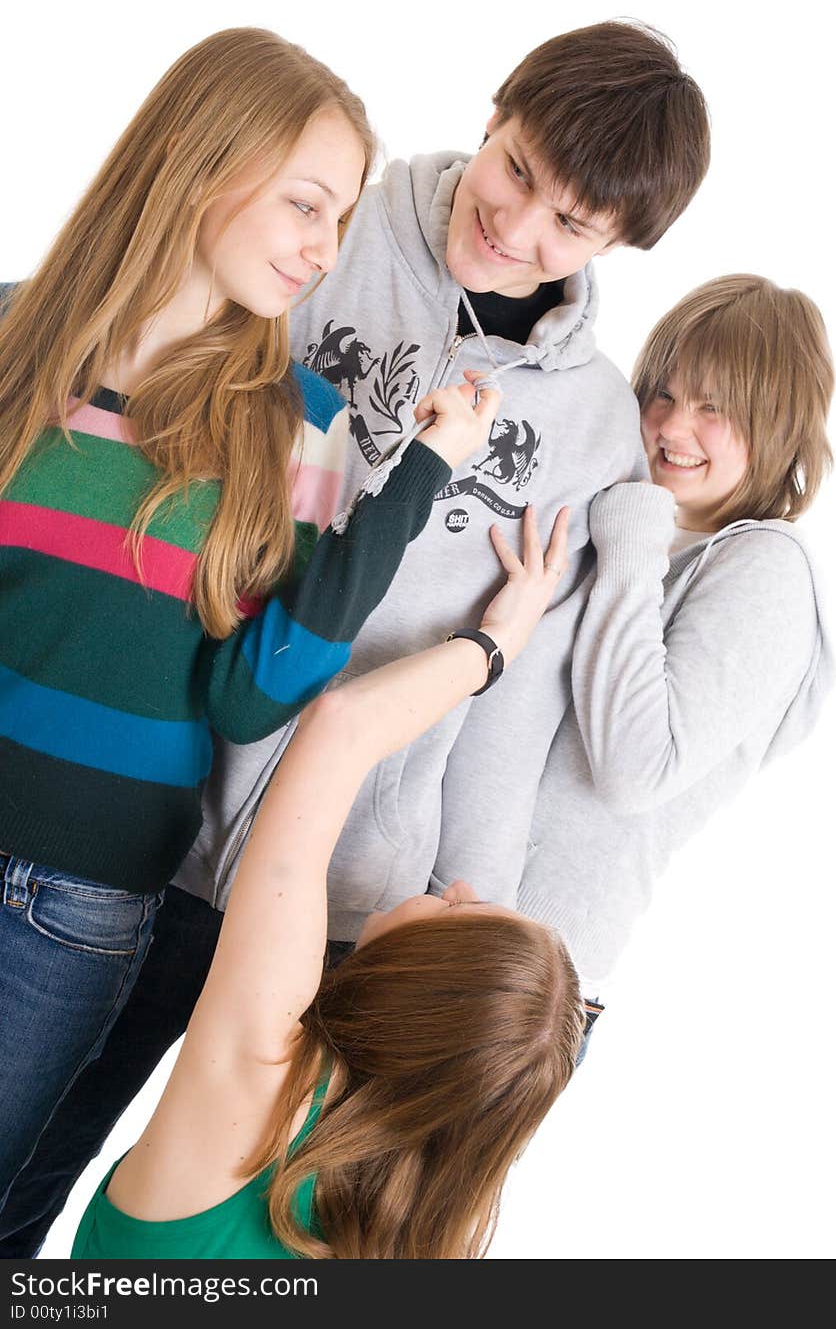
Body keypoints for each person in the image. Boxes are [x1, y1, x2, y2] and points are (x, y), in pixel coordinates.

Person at [0, 19, 710, 1255]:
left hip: (349, 888)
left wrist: (468, 918)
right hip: (149, 818)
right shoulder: (318, 233)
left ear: (619, 245)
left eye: (570, 226)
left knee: (249, 1234)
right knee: (33, 1167)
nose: (520, 228)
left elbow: (514, 694)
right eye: (520, 173)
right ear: (494, 117)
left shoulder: (591, 424)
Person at [0, 27, 500, 1227]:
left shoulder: (302, 423)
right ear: (193, 162)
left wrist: (420, 474)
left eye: (339, 219)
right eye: (304, 205)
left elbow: (252, 691)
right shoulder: (13, 336)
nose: (323, 250)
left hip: (72, 913)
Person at [71, 506, 583, 1260]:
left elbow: (341, 727)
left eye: (461, 912)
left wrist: (495, 645)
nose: (460, 886)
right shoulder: (414, 1240)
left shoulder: (262, 1083)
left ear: (418, 984)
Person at [513, 274, 833, 991]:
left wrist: (634, 536)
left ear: (778, 425)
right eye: (664, 394)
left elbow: (635, 771)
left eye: (713, 409)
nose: (672, 427)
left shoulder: (765, 567)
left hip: (524, 982)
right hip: (436, 919)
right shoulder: (628, 525)